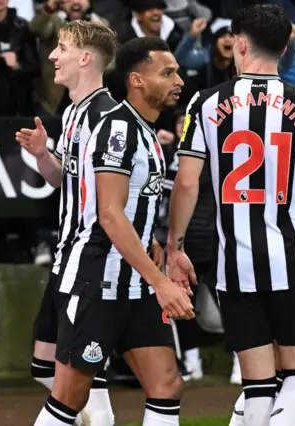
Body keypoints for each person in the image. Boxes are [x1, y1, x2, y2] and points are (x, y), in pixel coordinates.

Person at [30, 36, 193, 426]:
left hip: (133, 280)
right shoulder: (118, 129)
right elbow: (109, 214)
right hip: (98, 277)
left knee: (167, 384)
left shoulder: (143, 129)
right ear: (137, 80)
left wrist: (155, 250)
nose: (179, 81)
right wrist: (162, 283)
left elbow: (125, 208)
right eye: (167, 73)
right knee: (70, 394)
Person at [166, 4, 295, 426]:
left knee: (258, 385)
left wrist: (176, 246)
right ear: (285, 48)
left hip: (235, 266)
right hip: (294, 256)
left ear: (240, 44)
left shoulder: (207, 102)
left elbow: (187, 183)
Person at [16, 19, 118, 426]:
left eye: (62, 47)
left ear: (86, 57)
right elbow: (66, 181)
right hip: (68, 258)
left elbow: (116, 202)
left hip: (91, 263)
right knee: (45, 368)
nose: (53, 56)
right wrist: (43, 155)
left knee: (82, 384)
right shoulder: (74, 112)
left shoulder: (107, 117)